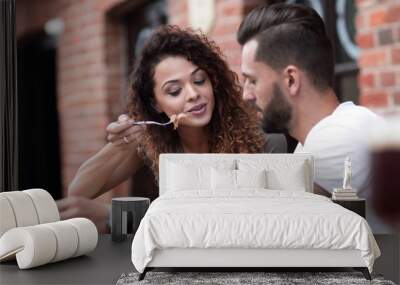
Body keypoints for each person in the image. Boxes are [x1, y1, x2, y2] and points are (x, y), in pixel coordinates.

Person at [58, 25, 273, 233]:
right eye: (174, 90)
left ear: (213, 81)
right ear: (155, 104)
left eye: (199, 80)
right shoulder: (154, 140)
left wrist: (118, 215)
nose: (192, 93)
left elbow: (220, 218)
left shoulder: (253, 138)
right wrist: (119, 147)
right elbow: (79, 191)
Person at [236, 3, 389, 233]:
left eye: (253, 80)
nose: (246, 94)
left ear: (290, 80)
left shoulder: (335, 139)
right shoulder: (312, 143)